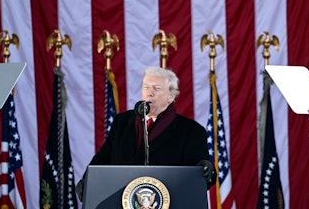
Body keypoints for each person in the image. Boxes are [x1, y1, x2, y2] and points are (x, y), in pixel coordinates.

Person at [76, 66, 216, 201]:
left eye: (157, 88)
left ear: (171, 97)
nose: (150, 92)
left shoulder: (191, 131)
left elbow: (199, 174)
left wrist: (205, 169)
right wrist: (87, 180)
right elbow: (104, 158)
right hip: (122, 201)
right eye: (146, 87)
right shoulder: (122, 123)